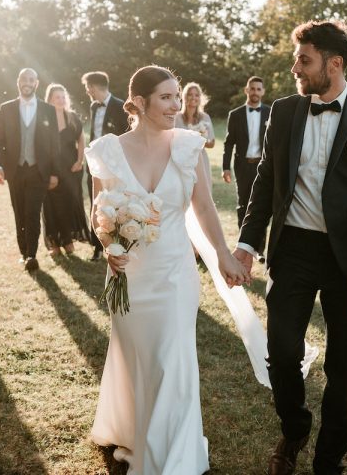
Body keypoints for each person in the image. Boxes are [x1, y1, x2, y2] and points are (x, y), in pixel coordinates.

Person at [233, 21, 347, 475]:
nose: (295, 67)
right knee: (281, 352)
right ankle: (296, 425)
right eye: (297, 59)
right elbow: (266, 179)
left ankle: (329, 461)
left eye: (304, 59)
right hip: (294, 251)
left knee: (345, 367)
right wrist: (247, 241)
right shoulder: (284, 112)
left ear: (335, 63)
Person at [86, 65, 247, 474]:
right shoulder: (107, 150)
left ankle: (172, 454)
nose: (176, 105)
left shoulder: (189, 146)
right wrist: (108, 247)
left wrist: (224, 254)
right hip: (128, 276)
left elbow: (204, 206)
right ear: (138, 103)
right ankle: (130, 427)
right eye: (166, 97)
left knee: (171, 360)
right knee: (137, 357)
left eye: (178, 96)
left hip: (175, 273)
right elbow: (98, 211)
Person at [0, 68, 60, 272]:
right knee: (19, 212)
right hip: (15, 170)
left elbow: (54, 144)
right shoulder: (6, 108)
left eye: (31, 80)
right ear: (18, 82)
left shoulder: (48, 110)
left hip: (39, 171)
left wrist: (54, 172)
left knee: (32, 212)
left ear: (36, 83)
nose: (27, 83)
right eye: (24, 79)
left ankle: (32, 254)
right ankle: (23, 252)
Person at [82, 71, 128, 260]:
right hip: (95, 165)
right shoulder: (94, 107)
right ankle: (98, 246)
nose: (87, 92)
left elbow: (126, 136)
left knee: (114, 204)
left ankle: (118, 242)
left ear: (92, 87)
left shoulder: (120, 106)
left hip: (114, 166)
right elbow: (94, 134)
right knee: (96, 204)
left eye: (87, 88)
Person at [41, 83, 90, 256]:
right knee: (51, 205)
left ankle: (68, 240)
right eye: (57, 97)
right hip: (50, 168)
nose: (61, 100)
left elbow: (81, 140)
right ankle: (54, 243)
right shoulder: (44, 119)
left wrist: (80, 160)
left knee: (70, 203)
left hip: (71, 167)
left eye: (63, 97)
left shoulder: (72, 117)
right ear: (49, 100)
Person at [222, 76, 269, 230]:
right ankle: (242, 243)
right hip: (242, 166)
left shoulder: (271, 113)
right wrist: (225, 167)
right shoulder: (235, 115)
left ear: (263, 92)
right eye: (252, 88)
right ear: (246, 90)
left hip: (263, 166)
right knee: (243, 204)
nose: (255, 92)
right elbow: (229, 143)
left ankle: (259, 249)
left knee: (261, 205)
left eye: (258, 89)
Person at [175, 81, 216, 186]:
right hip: (181, 160)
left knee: (203, 189)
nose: (193, 97)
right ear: (184, 97)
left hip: (200, 159)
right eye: (190, 94)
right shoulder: (177, 118)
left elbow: (212, 144)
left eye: (196, 95)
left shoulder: (205, 117)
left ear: (200, 98)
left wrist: (200, 139)